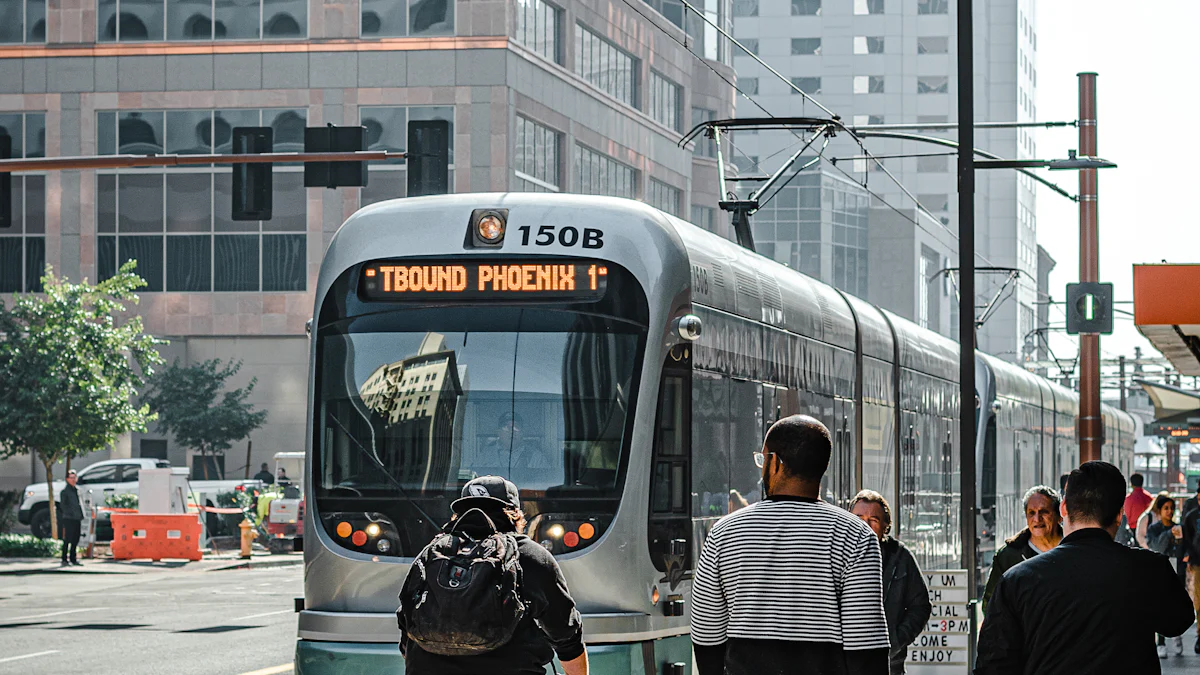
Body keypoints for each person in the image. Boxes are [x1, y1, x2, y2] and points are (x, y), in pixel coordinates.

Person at [691, 415, 890, 675]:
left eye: (763, 459)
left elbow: (707, 634)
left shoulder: (725, 532)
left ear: (774, 462)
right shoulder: (855, 535)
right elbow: (866, 646)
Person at [974, 461, 1194, 675]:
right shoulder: (1151, 568)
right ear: (1120, 515)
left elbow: (993, 662)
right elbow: (1178, 621)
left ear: (1063, 508)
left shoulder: (1017, 579)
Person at [398, 475, 588, 675]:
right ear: (515, 514)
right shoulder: (530, 556)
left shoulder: (432, 553)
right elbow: (567, 637)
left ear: (458, 516)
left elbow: (406, 625)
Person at [850, 489, 931, 675]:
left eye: (873, 520)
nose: (865, 525)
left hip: (889, 666)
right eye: (858, 517)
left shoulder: (900, 557)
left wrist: (894, 642)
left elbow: (920, 606)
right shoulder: (836, 555)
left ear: (885, 526)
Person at [980, 485, 1063, 613]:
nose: (1037, 519)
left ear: (1060, 516)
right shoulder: (1008, 557)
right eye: (1031, 513)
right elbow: (991, 606)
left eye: (1044, 511)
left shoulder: (1075, 552)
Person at [1146, 493, 1186, 658]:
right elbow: (1157, 547)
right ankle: (1161, 642)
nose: (1169, 512)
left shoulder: (1178, 527)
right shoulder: (1154, 529)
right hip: (1159, 570)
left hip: (1177, 570)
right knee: (1159, 605)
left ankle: (1177, 635)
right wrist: (1170, 534)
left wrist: (1179, 540)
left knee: (1175, 604)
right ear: (1159, 510)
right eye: (1166, 508)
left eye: (1171, 508)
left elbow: (1182, 550)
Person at [1181, 482, 1200, 654]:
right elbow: (1186, 536)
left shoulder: (1191, 511)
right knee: (1199, 600)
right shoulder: (1192, 514)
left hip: (1195, 559)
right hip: (1197, 560)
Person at [59, 469, 84, 567]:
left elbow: (79, 504)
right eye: (71, 478)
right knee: (67, 539)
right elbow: (63, 505)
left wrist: (81, 515)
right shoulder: (65, 492)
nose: (73, 480)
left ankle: (73, 558)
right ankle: (64, 559)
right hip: (69, 518)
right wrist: (69, 514)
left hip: (77, 518)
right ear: (67, 479)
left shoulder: (77, 490)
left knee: (75, 539)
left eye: (75, 478)